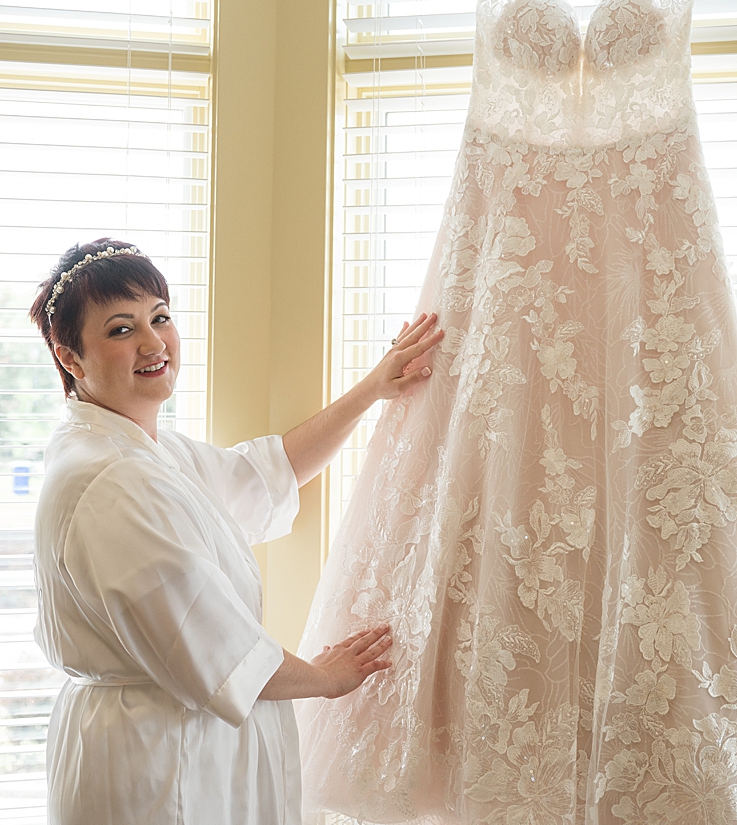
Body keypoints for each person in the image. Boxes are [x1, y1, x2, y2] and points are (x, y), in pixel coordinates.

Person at [27, 238, 443, 825]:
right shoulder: (110, 480)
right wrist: (325, 678)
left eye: (160, 318)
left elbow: (261, 475)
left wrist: (376, 387)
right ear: (70, 357)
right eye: (121, 330)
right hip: (155, 760)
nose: (153, 343)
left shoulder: (145, 451)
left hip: (178, 742)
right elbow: (211, 641)